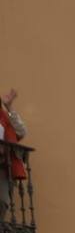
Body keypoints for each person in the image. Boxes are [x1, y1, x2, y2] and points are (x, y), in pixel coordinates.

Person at [1, 89, 29, 219]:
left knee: (3, 201)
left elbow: (21, 131)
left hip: (3, 168)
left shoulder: (4, 118)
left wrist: (9, 107)